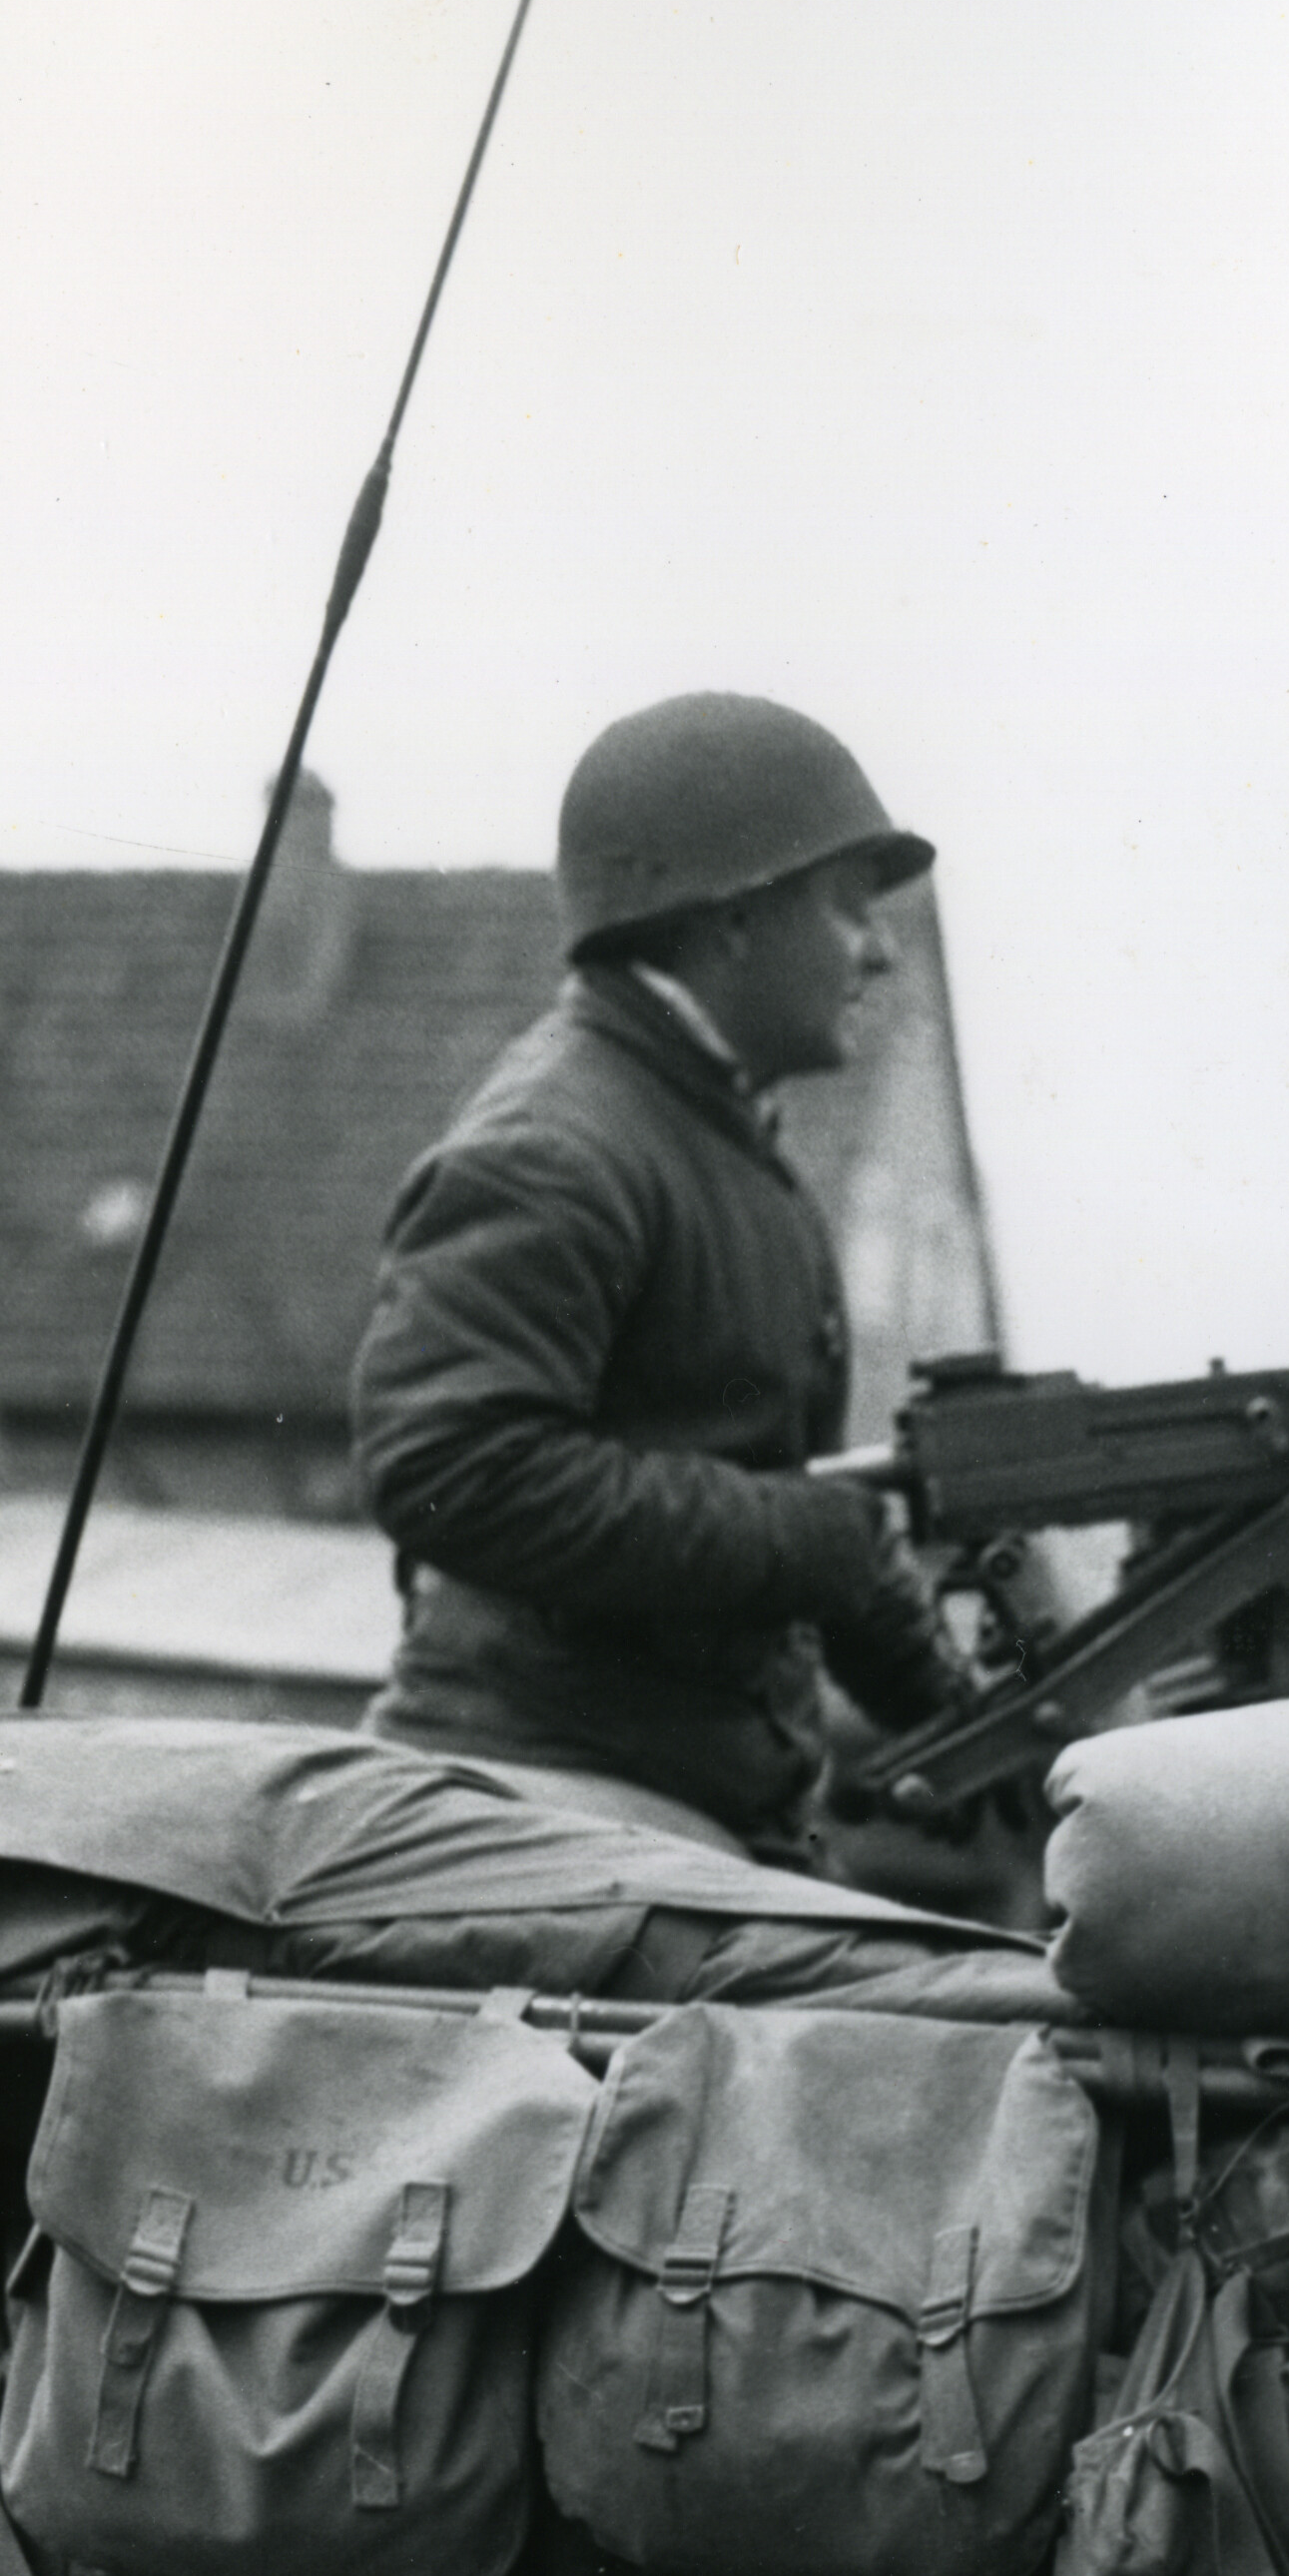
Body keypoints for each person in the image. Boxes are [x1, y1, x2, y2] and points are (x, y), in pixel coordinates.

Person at [341, 690, 972, 1864]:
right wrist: (802, 1540)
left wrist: (978, 1723)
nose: (881, 949)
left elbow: (805, 1514)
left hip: (686, 1809)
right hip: (540, 1800)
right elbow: (447, 1469)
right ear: (731, 922)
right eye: (849, 907)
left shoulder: (721, 1142)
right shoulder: (558, 1148)